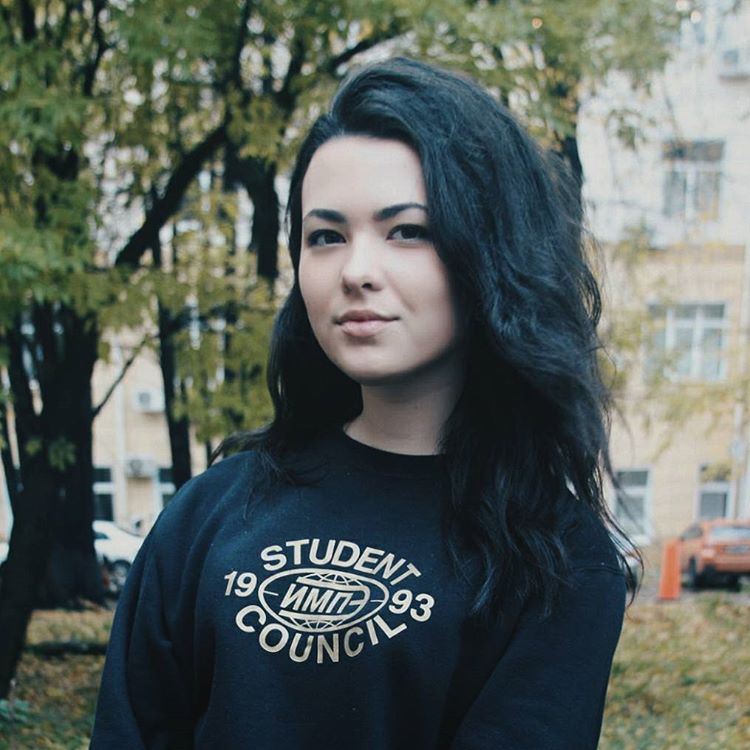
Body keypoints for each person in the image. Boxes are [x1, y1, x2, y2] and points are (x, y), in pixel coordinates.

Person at [90, 57, 634, 750]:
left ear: (490, 253)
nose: (355, 271)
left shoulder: (558, 560)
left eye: (407, 231)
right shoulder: (209, 514)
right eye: (326, 237)